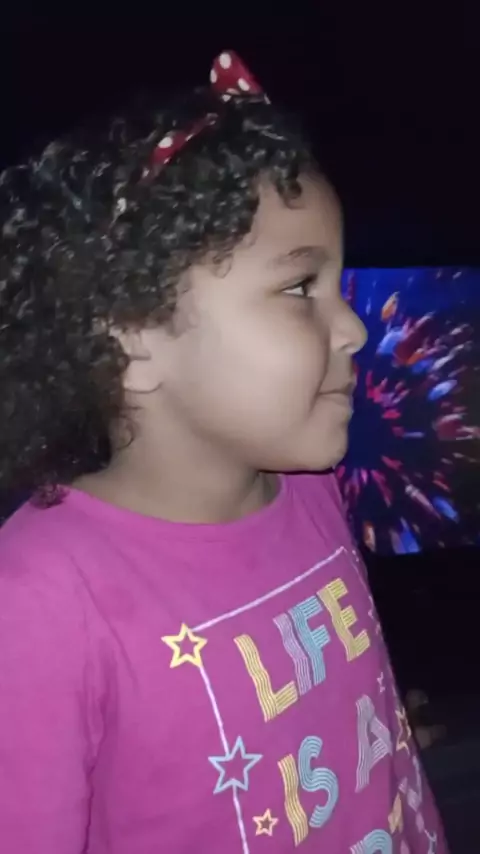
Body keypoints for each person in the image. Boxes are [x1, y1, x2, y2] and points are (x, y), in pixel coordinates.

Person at [0, 50, 448, 853]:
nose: (354, 327)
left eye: (339, 287)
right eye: (299, 288)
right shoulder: (37, 600)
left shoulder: (312, 489)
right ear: (135, 335)